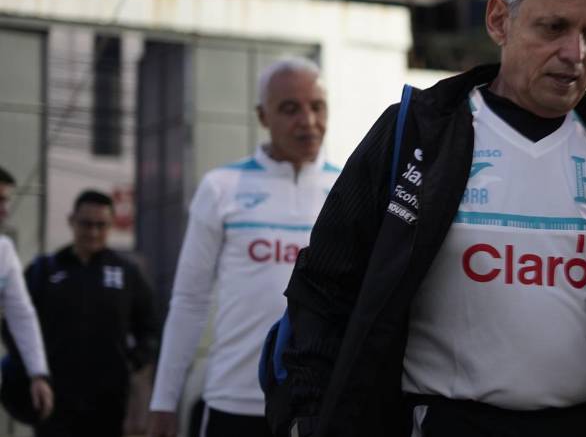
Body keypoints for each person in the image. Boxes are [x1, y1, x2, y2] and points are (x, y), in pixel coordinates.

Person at [272, 0, 586, 437]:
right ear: (500, 20)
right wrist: (305, 416)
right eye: (554, 27)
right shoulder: (416, 135)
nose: (576, 53)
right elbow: (323, 290)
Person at [148, 58, 339, 437]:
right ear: (262, 116)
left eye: (316, 107)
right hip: (232, 401)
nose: (307, 121)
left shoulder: (347, 190)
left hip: (317, 406)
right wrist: (163, 401)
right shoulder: (222, 187)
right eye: (290, 109)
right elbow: (190, 299)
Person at [32, 189, 155, 437]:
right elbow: (17, 322)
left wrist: (133, 361)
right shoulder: (44, 270)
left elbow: (150, 329)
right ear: (71, 220)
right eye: (86, 224)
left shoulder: (126, 273)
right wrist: (32, 368)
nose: (93, 232)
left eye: (102, 225)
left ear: (111, 225)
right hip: (55, 395)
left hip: (108, 399)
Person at [0, 167, 53, 424]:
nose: (5, 210)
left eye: (7, 200)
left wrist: (37, 374)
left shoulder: (4, 251)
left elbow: (22, 314)